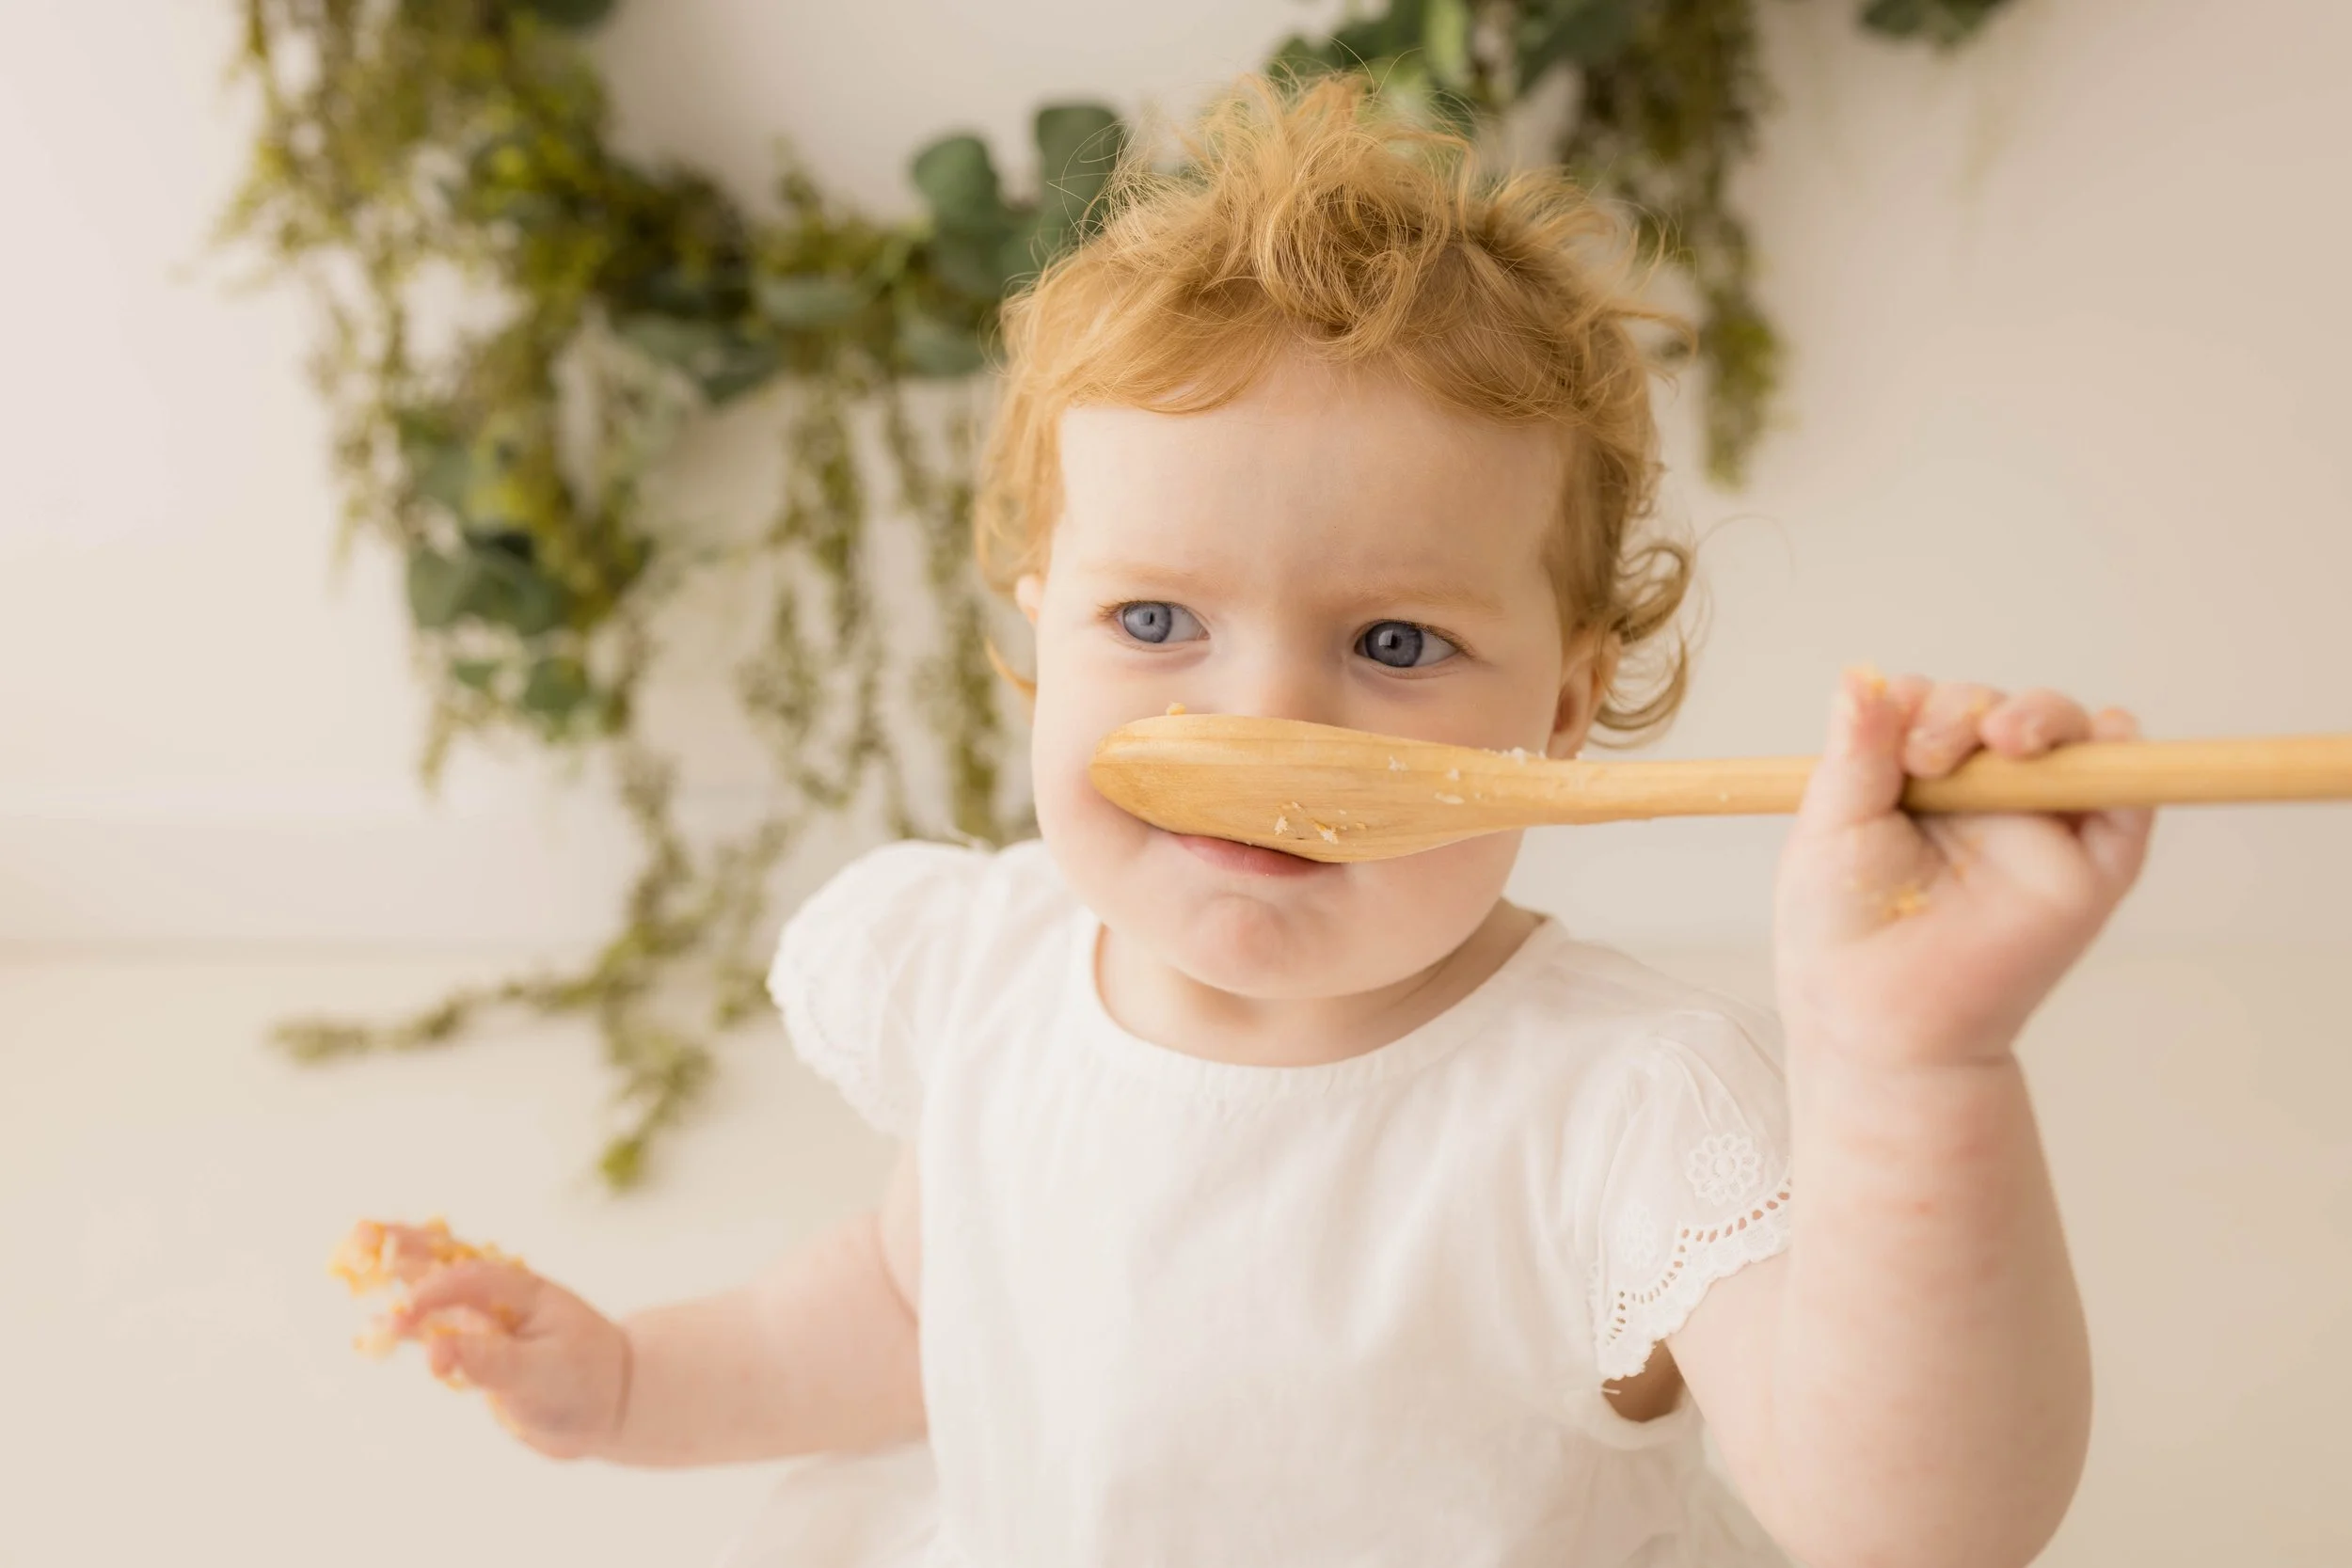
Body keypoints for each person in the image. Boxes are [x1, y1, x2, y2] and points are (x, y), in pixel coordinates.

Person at [357, 72, 2153, 1568]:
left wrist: (1920, 1067)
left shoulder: (1616, 1109)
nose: (1262, 718)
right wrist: (628, 1382)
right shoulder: (990, 976)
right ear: (1036, 630)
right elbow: (915, 1318)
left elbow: (1922, 1524)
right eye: (1155, 624)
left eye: (1393, 641)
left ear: (1558, 702)